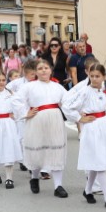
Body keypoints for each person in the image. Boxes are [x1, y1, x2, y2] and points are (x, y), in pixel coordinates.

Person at [62, 63, 106, 208]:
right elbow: (67, 106)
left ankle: (88, 190)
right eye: (92, 76)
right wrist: (79, 118)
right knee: (99, 162)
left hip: (103, 126)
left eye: (97, 76)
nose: (94, 79)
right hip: (92, 127)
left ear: (103, 77)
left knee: (98, 160)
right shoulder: (84, 92)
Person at [18, 58, 70, 198]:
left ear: (51, 70)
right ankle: (35, 177)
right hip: (36, 121)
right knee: (37, 150)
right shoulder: (29, 87)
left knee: (56, 150)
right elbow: (17, 101)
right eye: (40, 68)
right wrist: (25, 113)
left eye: (46, 68)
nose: (43, 70)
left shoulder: (57, 87)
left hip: (55, 121)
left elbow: (68, 103)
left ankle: (58, 185)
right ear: (36, 72)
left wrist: (79, 116)